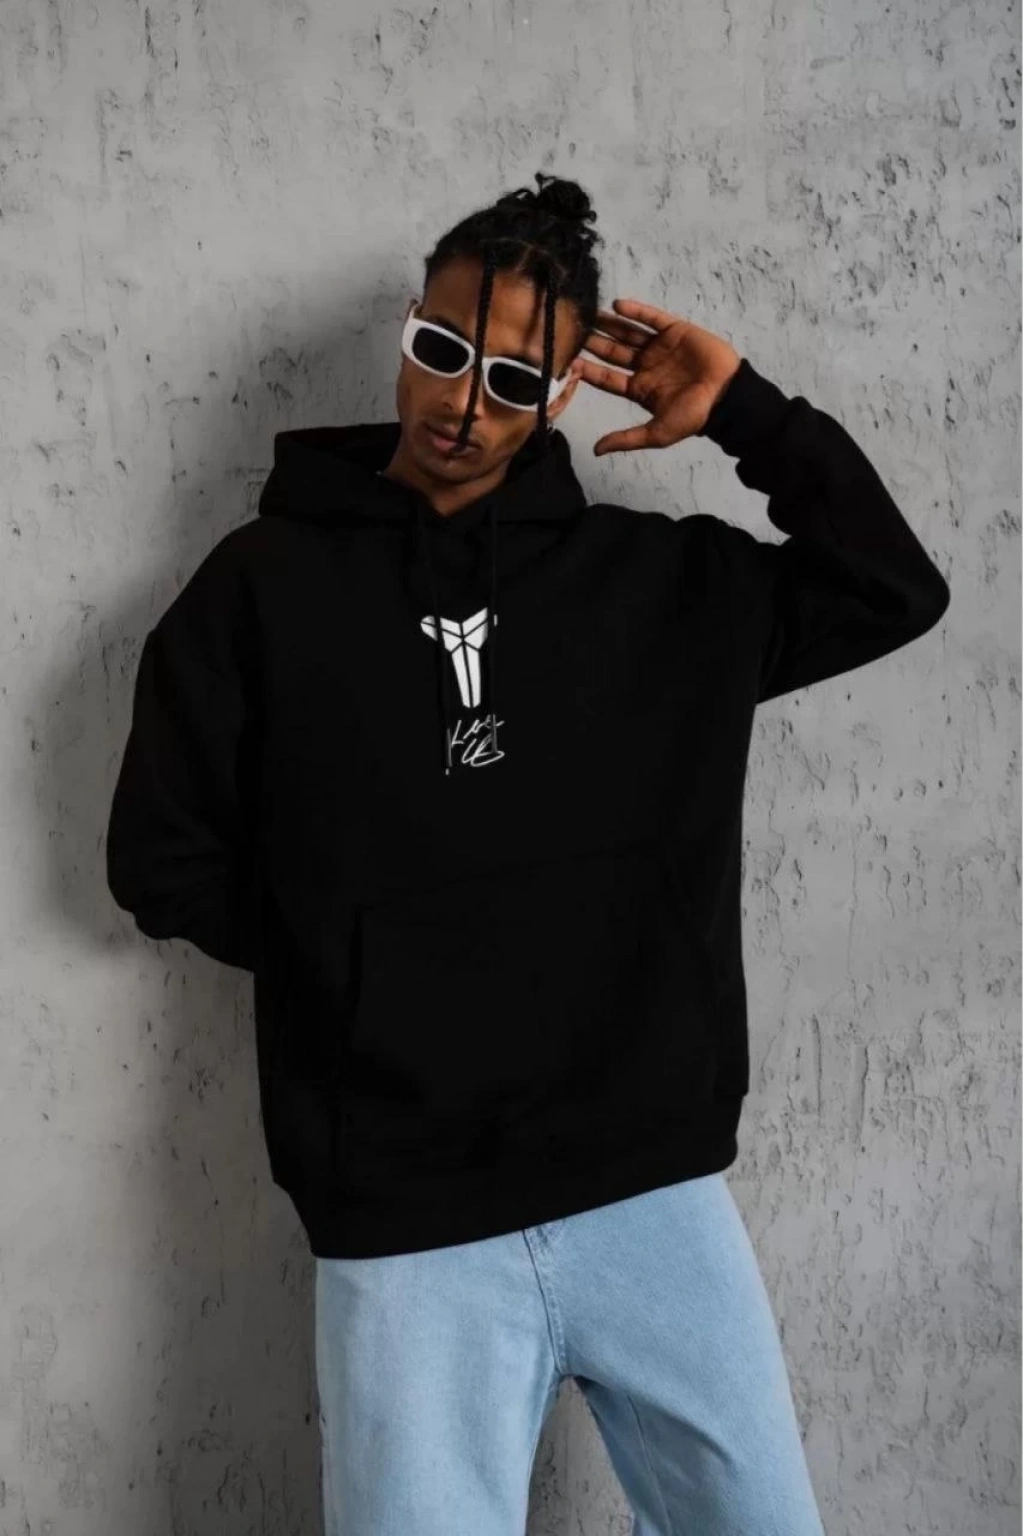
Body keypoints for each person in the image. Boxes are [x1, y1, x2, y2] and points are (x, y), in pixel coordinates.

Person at [105, 173, 951, 1535]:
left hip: (654, 1195)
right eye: (442, 350)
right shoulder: (257, 590)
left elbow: (892, 589)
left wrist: (745, 411)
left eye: (511, 377)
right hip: (406, 1225)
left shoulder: (661, 590)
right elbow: (160, 858)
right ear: (409, 330)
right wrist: (357, 956)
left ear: (559, 394)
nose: (463, 402)